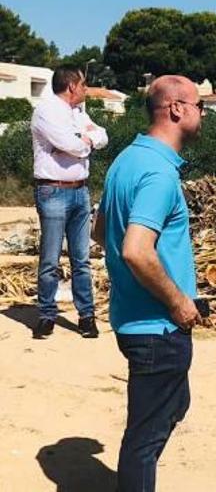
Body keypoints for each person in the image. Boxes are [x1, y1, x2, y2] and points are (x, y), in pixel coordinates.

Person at [92, 75, 204, 492]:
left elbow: (100, 230)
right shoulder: (158, 174)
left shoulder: (126, 160)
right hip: (157, 328)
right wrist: (177, 302)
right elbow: (136, 250)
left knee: (174, 404)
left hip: (132, 319)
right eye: (199, 106)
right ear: (176, 109)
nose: (202, 114)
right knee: (144, 439)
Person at [31, 65, 107, 339]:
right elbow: (72, 145)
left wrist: (85, 138)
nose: (87, 89)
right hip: (52, 191)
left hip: (80, 191)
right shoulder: (47, 111)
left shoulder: (78, 112)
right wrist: (84, 141)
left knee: (82, 259)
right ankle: (46, 315)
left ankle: (86, 316)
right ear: (72, 86)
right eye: (84, 84)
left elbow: (102, 135)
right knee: (50, 259)